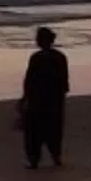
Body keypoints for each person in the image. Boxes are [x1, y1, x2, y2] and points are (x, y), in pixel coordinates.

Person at [18, 27, 68, 169]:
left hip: (38, 98)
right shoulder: (60, 57)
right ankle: (56, 156)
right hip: (54, 99)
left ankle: (34, 159)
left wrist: (24, 97)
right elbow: (64, 82)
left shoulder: (36, 58)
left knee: (34, 131)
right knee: (54, 129)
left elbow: (29, 80)